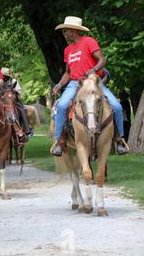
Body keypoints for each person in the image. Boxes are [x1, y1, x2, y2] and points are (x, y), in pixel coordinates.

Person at [51, 16, 129, 156]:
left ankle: (119, 140)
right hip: (75, 83)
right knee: (61, 106)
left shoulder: (89, 42)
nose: (64, 34)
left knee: (116, 106)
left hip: (94, 81)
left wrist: (93, 70)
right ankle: (59, 141)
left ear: (73, 31)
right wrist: (59, 84)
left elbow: (102, 60)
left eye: (65, 31)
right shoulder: (68, 50)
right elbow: (68, 72)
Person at [1, 67, 31, 142]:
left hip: (13, 100)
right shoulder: (0, 81)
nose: (4, 77)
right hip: (3, 101)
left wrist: (13, 92)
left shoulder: (13, 81)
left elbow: (19, 91)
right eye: (3, 76)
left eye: (5, 76)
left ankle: (26, 130)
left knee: (22, 110)